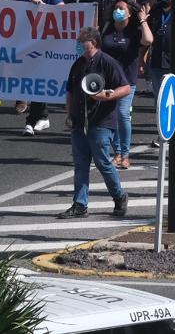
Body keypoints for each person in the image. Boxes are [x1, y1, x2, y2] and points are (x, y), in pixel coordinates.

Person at [56, 27, 131, 220]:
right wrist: (70, 114)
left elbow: (125, 88)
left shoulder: (107, 63)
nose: (79, 44)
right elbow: (71, 91)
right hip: (80, 121)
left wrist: (109, 96)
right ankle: (80, 204)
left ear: (93, 43)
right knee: (80, 164)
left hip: (101, 122)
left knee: (102, 162)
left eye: (82, 41)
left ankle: (119, 196)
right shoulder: (78, 64)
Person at [99, 0, 152, 169]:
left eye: (122, 9)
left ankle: (125, 153)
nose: (118, 11)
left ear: (130, 13)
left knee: (122, 114)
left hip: (127, 80)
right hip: (107, 80)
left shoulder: (134, 32)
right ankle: (117, 153)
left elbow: (149, 40)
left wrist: (143, 20)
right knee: (110, 117)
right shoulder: (107, 28)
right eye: (116, 8)